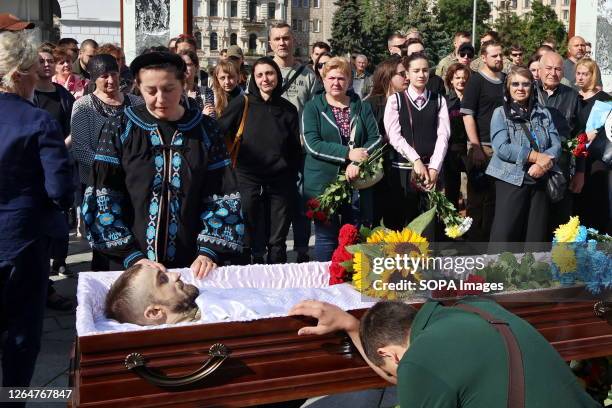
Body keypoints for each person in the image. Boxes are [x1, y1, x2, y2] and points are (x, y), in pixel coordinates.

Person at [82, 51, 244, 276]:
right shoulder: (119, 127)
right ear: (138, 86)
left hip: (193, 265)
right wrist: (131, 255)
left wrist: (209, 251)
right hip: (132, 264)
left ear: (183, 82)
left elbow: (221, 193)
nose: (160, 98)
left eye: (168, 89)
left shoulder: (206, 129)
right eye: (150, 91)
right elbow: (103, 196)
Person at [288, 299, 601, 407]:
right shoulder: (478, 310)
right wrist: (352, 327)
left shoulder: (419, 363)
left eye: (394, 372)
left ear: (393, 355)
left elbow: (412, 370)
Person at [0, 30, 73, 398]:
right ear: (17, 76)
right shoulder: (37, 120)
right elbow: (59, 189)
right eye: (32, 70)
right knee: (21, 333)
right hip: (23, 241)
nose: (38, 79)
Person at [218, 57, 301, 264]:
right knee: (247, 232)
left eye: (270, 73)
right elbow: (218, 132)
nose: (265, 79)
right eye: (260, 75)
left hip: (280, 180)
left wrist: (292, 176)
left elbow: (294, 149)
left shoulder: (288, 109)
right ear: (253, 79)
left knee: (277, 238)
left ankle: (277, 282)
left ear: (277, 76)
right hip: (247, 177)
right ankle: (247, 279)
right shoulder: (242, 103)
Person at [303, 57, 381, 261]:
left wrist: (357, 161)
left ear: (349, 80)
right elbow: (313, 143)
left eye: (341, 78)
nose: (336, 83)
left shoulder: (361, 106)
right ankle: (326, 283)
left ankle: (348, 285)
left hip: (356, 181)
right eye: (331, 78)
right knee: (326, 237)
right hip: (323, 183)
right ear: (323, 79)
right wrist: (347, 153)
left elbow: (375, 138)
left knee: (352, 235)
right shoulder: (313, 107)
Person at [71, 54, 143, 270]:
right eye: (104, 76)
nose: (111, 80)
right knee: (104, 243)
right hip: (98, 184)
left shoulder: (136, 103)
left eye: (113, 74)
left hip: (133, 184)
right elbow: (81, 149)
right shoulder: (83, 106)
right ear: (93, 78)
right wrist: (111, 169)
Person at [487, 66, 561, 242]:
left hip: (540, 177)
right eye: (515, 84)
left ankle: (532, 270)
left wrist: (543, 164)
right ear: (508, 88)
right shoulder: (500, 113)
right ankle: (498, 269)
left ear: (532, 87)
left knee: (535, 235)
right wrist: (536, 157)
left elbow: (556, 144)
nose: (520, 88)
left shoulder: (543, 113)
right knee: (506, 233)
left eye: (525, 84)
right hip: (511, 178)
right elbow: (502, 148)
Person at [384, 52, 450, 231]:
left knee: (429, 227)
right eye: (416, 71)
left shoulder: (438, 100)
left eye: (425, 70)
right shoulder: (395, 101)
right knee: (404, 226)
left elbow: (443, 135)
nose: (421, 74)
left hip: (431, 173)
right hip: (403, 172)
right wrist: (416, 160)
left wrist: (435, 166)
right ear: (407, 74)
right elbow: (394, 136)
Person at [270, 22, 317, 263]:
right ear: (271, 43)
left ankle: (302, 250)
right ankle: (272, 250)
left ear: (294, 41)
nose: (282, 43)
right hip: (271, 151)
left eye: (286, 38)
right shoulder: (264, 73)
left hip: (300, 149)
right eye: (277, 39)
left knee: (301, 201)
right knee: (274, 204)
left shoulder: (308, 76)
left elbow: (314, 111)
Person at [33, 45, 77, 284]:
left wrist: (59, 147)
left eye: (50, 60)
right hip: (35, 164)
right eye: (42, 61)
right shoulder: (30, 95)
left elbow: (74, 124)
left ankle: (60, 261)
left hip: (61, 160)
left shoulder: (62, 95)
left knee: (61, 215)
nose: (47, 64)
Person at [461, 40, 505, 242]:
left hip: (504, 151)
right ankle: (472, 243)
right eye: (494, 55)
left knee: (496, 202)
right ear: (484, 58)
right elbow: (468, 115)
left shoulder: (506, 80)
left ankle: (490, 243)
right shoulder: (476, 81)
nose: (499, 58)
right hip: (483, 150)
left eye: (500, 55)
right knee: (477, 202)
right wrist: (476, 146)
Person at [534, 51, 583, 235]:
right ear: (538, 70)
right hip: (532, 169)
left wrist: (580, 172)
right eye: (548, 68)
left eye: (557, 69)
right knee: (535, 224)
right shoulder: (527, 91)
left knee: (559, 225)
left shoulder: (572, 96)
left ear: (563, 72)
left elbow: (580, 137)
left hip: (561, 171)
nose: (553, 73)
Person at [363, 56, 409, 225]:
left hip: (402, 166)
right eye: (402, 74)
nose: (407, 77)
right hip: (378, 168)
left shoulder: (407, 101)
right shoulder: (371, 104)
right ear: (388, 76)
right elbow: (366, 136)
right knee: (374, 217)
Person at [573, 58, 611, 234]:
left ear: (593, 75)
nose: (581, 77)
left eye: (585, 74)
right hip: (576, 155)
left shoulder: (605, 100)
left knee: (595, 202)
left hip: (596, 159)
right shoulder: (573, 96)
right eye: (578, 73)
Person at [443, 63, 470, 209]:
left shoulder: (473, 100)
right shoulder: (445, 101)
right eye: (457, 78)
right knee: (451, 190)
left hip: (470, 148)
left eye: (464, 78)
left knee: (472, 190)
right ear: (451, 80)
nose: (461, 81)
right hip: (451, 150)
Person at [178, 49, 215, 117]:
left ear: (196, 67)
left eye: (188, 65)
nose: (184, 68)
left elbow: (211, 120)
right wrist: (202, 115)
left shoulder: (206, 91)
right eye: (181, 65)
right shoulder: (174, 94)